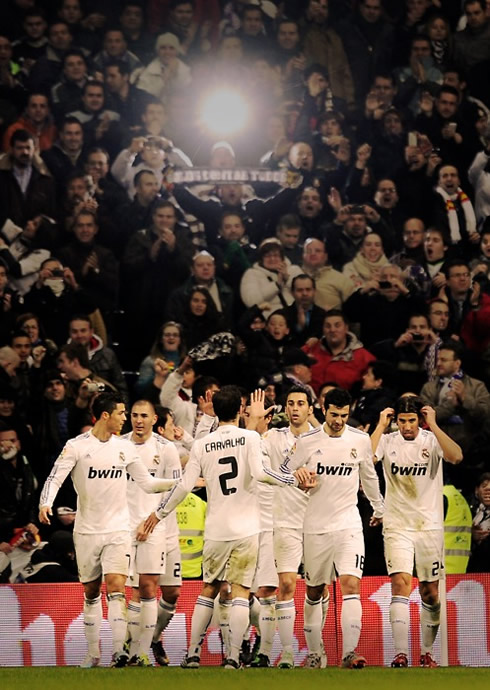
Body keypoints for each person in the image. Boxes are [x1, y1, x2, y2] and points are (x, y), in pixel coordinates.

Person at [141, 385, 313, 670]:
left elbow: (184, 485)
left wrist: (158, 513)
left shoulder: (202, 444)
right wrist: (293, 479)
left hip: (216, 528)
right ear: (240, 410)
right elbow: (261, 473)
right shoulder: (250, 438)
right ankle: (233, 657)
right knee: (242, 592)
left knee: (208, 589)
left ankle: (193, 653)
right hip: (247, 528)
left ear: (217, 411)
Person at [38, 392, 178, 668]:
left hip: (118, 530)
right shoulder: (77, 446)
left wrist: (178, 483)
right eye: (122, 413)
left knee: (116, 588)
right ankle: (92, 653)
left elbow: (148, 483)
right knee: (91, 592)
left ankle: (119, 651)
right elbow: (56, 477)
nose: (125, 418)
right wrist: (46, 503)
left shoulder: (125, 449)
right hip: (88, 531)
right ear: (106, 415)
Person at [282, 387, 384, 669]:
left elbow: (369, 476)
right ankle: (315, 654)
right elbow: (281, 472)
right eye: (334, 414)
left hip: (348, 524)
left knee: (351, 584)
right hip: (315, 526)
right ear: (323, 411)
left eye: (344, 415)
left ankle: (350, 652)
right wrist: (297, 476)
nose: (339, 420)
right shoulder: (306, 441)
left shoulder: (360, 440)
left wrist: (379, 507)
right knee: (314, 591)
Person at [370, 396, 463, 668]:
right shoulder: (387, 441)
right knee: (400, 584)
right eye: (401, 421)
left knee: (429, 593)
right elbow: (366, 458)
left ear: (419, 420)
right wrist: (379, 425)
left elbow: (456, 456)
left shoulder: (431, 440)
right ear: (395, 420)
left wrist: (432, 424)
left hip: (429, 528)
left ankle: (426, 652)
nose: (407, 426)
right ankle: (400, 654)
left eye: (411, 421)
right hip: (397, 525)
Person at [122, 400, 182, 666]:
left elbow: (176, 489)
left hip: (163, 528)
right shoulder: (120, 446)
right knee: (142, 587)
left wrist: (155, 518)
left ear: (153, 418)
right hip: (131, 529)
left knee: (172, 593)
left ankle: (153, 638)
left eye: (144, 416)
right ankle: (137, 648)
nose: (138, 420)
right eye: (134, 415)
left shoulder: (166, 449)